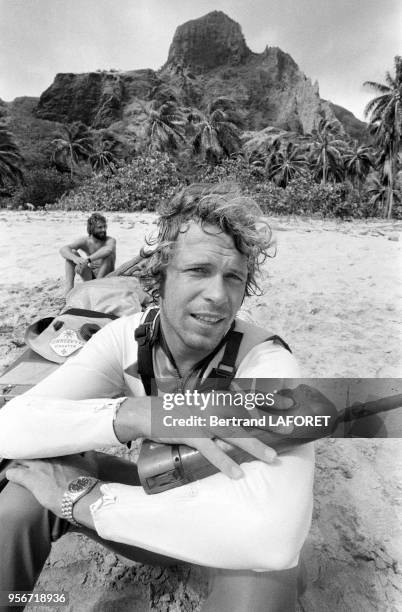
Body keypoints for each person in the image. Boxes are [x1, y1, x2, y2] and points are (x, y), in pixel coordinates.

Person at [0, 183, 314, 612]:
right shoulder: (126, 341)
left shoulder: (265, 364)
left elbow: (273, 539)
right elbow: (10, 427)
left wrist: (88, 501)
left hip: (228, 537)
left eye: (233, 277)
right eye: (198, 271)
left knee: (259, 591)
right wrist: (135, 413)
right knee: (26, 483)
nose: (218, 296)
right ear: (160, 276)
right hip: (157, 504)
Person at [60, 212, 116, 295]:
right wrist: (75, 259)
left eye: (105, 226)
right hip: (90, 277)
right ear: (92, 229)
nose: (104, 230)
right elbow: (63, 249)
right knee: (72, 253)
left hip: (106, 279)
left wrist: (88, 260)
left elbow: (108, 250)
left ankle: (96, 286)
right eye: (100, 227)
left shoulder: (110, 240)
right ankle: (69, 288)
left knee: (109, 256)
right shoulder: (85, 241)